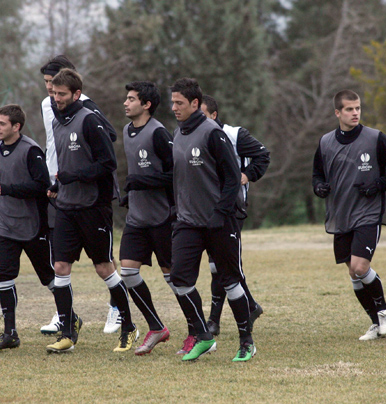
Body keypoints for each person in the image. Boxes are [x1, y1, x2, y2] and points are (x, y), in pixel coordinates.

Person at [45, 68, 136, 353]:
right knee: (60, 268)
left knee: (104, 268)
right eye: (53, 93)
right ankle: (68, 332)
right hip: (66, 207)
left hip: (93, 207)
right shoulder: (58, 122)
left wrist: (76, 176)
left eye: (61, 94)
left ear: (76, 94)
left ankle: (129, 328)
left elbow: (108, 163)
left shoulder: (90, 120)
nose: (56, 98)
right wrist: (60, 186)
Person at [170, 78, 255, 362]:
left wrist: (220, 212)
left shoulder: (212, 133)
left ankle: (246, 341)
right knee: (179, 280)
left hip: (219, 221)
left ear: (195, 104)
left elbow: (233, 178)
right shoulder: (177, 134)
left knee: (230, 281)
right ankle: (204, 336)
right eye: (173, 102)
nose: (174, 108)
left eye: (179, 103)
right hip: (188, 222)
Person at [312, 89, 386, 341]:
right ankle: (374, 322)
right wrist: (319, 187)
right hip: (341, 215)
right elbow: (317, 174)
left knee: (361, 267)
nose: (355, 113)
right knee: (353, 272)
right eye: (349, 109)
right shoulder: (326, 142)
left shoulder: (375, 138)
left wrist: (377, 185)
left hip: (368, 213)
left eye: (358, 108)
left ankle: (383, 310)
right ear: (338, 112)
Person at [0, 104, 58, 350]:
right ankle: (10, 333)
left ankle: (68, 319)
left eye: (2, 123)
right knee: (4, 277)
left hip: (32, 225)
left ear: (16, 127)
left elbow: (41, 187)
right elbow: (3, 182)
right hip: (5, 224)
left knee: (48, 277)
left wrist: (9, 191)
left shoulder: (31, 150)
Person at [200, 94, 269, 337]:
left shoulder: (234, 135)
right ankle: (248, 306)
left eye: (203, 114)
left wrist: (246, 175)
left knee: (222, 263)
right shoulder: (193, 135)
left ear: (214, 115)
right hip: (204, 206)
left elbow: (263, 155)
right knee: (218, 264)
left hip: (232, 206)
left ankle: (215, 320)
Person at [119, 81, 174, 355]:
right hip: (137, 218)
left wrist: (143, 182)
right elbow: (136, 175)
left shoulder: (159, 133)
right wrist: (130, 193)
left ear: (146, 105)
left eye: (131, 99)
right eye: (126, 98)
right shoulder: (128, 131)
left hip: (162, 217)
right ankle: (156, 327)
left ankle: (198, 332)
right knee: (128, 271)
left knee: (176, 279)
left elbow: (176, 175)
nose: (126, 103)